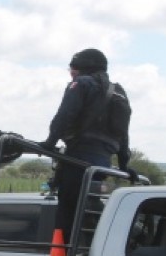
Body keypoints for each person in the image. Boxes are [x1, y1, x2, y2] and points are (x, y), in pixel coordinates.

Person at [39, 48, 133, 244]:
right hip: (103, 164)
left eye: (72, 68)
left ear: (82, 68)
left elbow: (64, 116)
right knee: (90, 205)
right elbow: (123, 134)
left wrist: (49, 143)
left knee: (68, 210)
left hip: (78, 159)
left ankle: (63, 253)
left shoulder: (81, 84)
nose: (71, 72)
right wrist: (124, 166)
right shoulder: (119, 92)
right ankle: (90, 248)